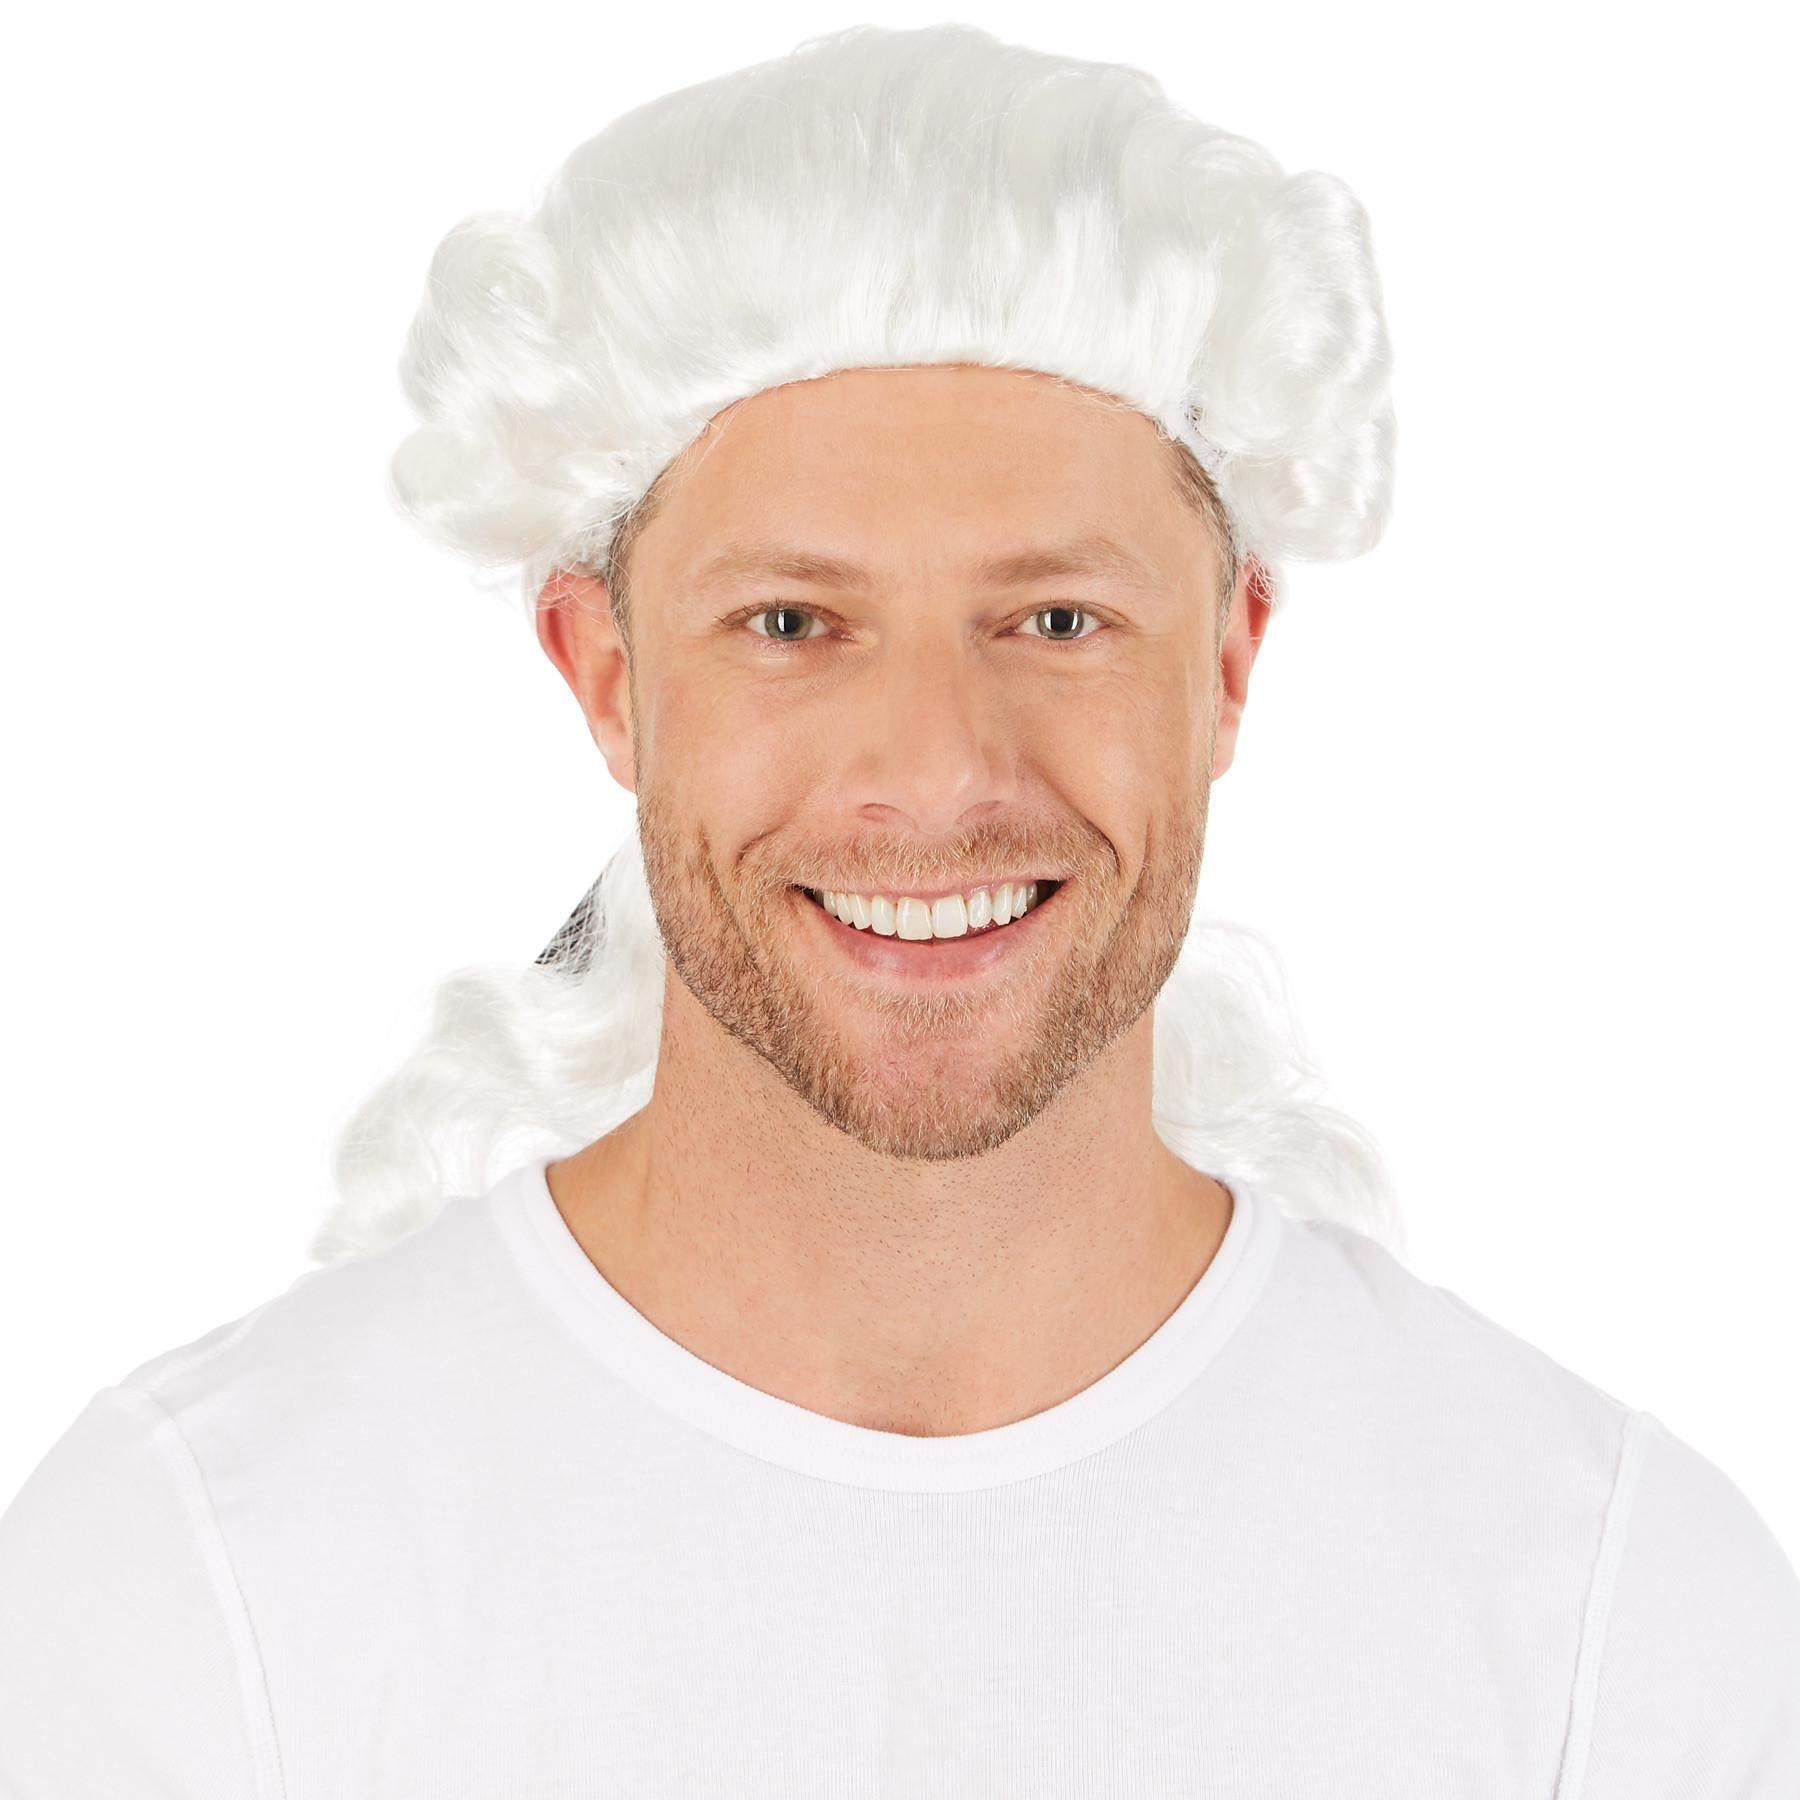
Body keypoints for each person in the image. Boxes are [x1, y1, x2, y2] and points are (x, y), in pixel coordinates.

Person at [3, 22, 1795, 1798]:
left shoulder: (1607, 1616)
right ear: (604, 673)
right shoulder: (199, 1583)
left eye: (1058, 620)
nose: (937, 774)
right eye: (792, 623)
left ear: (1229, 662)